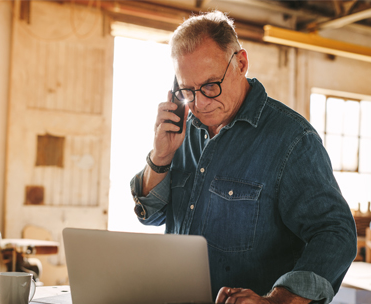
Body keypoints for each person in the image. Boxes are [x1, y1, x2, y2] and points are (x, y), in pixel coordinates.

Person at [130, 10, 357, 304]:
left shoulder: (292, 140)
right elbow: (152, 216)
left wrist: (278, 300)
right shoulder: (181, 134)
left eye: (211, 85)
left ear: (241, 63)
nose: (200, 103)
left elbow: (336, 233)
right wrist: (160, 157)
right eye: (187, 90)